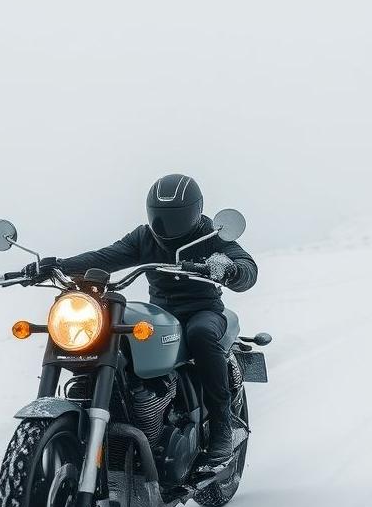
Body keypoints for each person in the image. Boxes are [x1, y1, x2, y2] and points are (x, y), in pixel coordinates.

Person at [21, 173, 258, 470]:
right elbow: (104, 257)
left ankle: (222, 427)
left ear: (195, 213)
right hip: (163, 313)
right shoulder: (145, 237)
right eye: (160, 218)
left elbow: (247, 266)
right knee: (114, 336)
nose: (165, 225)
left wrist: (230, 270)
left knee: (200, 335)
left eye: (175, 217)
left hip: (203, 311)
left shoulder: (211, 235)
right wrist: (58, 266)